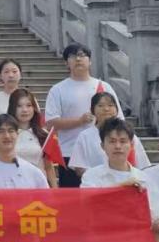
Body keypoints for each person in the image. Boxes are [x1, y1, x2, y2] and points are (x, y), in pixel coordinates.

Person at [7, 87, 61, 242]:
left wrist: (56, 193)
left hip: (39, 195)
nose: (25, 110)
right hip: (13, 195)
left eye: (29, 105)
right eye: (20, 105)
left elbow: (49, 167)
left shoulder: (43, 134)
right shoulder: (7, 132)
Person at [44, 43, 121, 187]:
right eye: (73, 56)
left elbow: (119, 120)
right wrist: (79, 121)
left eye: (82, 55)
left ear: (90, 61)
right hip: (69, 154)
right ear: (66, 62)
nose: (78, 59)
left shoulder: (103, 87)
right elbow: (50, 122)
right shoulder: (58, 90)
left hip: (103, 153)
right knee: (73, 198)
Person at [69, 91, 148, 177]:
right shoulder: (85, 136)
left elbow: (143, 165)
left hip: (128, 181)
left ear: (117, 110)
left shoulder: (127, 135)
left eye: (110, 105)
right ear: (92, 110)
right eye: (100, 106)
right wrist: (97, 178)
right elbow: (79, 167)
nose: (106, 109)